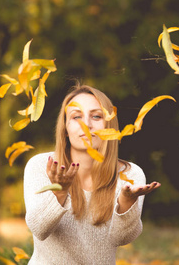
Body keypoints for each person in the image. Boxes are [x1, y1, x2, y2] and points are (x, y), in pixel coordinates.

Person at [23, 84, 161, 264]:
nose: (86, 124)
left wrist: (126, 203)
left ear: (109, 125)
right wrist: (59, 192)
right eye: (76, 117)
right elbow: (39, 229)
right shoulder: (42, 166)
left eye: (96, 116)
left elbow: (123, 238)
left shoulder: (129, 174)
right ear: (65, 127)